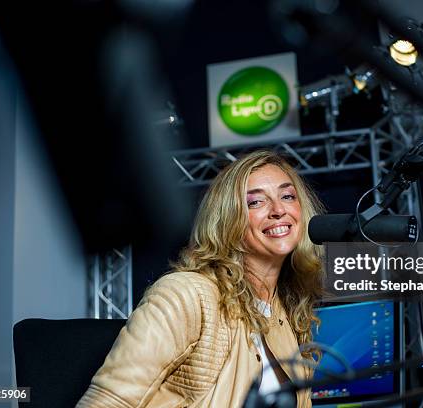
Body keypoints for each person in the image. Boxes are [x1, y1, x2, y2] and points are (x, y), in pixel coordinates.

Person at [77, 150, 325, 408]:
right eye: (255, 202)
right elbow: (105, 402)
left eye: (287, 196)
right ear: (228, 219)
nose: (278, 210)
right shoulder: (185, 295)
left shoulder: (285, 317)